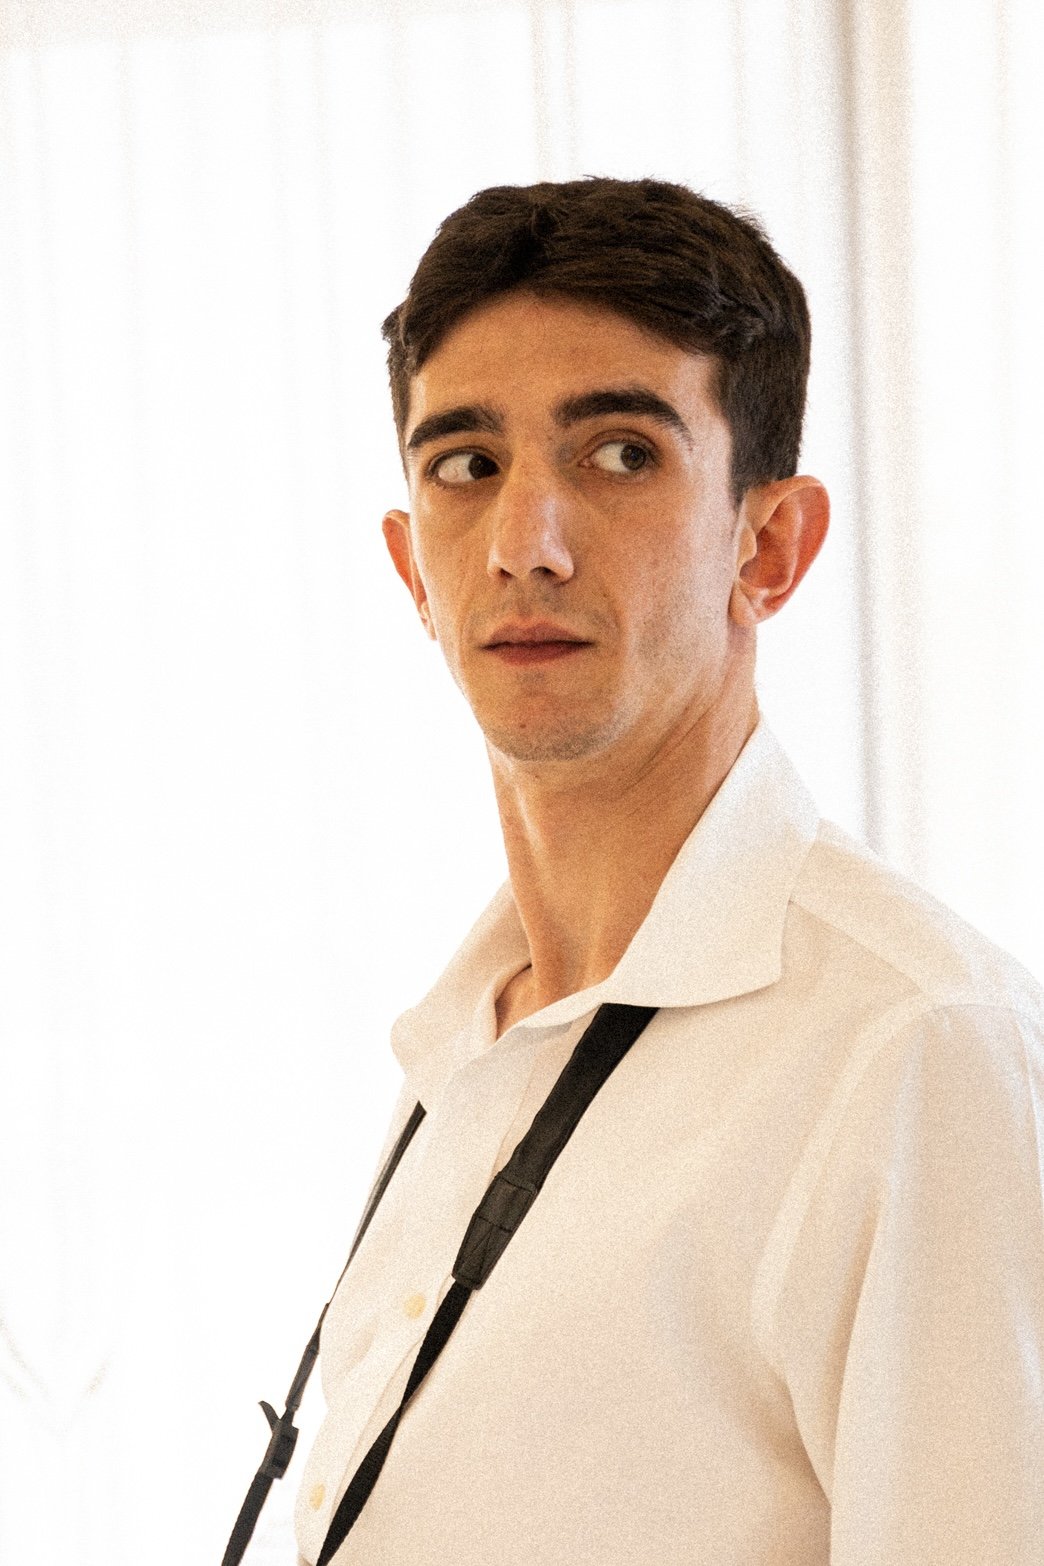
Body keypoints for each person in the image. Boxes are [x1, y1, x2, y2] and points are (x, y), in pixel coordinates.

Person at [294, 177, 1044, 1565]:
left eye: (621, 453)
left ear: (771, 545)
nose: (524, 544)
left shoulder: (917, 1048)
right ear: (411, 569)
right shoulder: (460, 1041)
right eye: (466, 465)